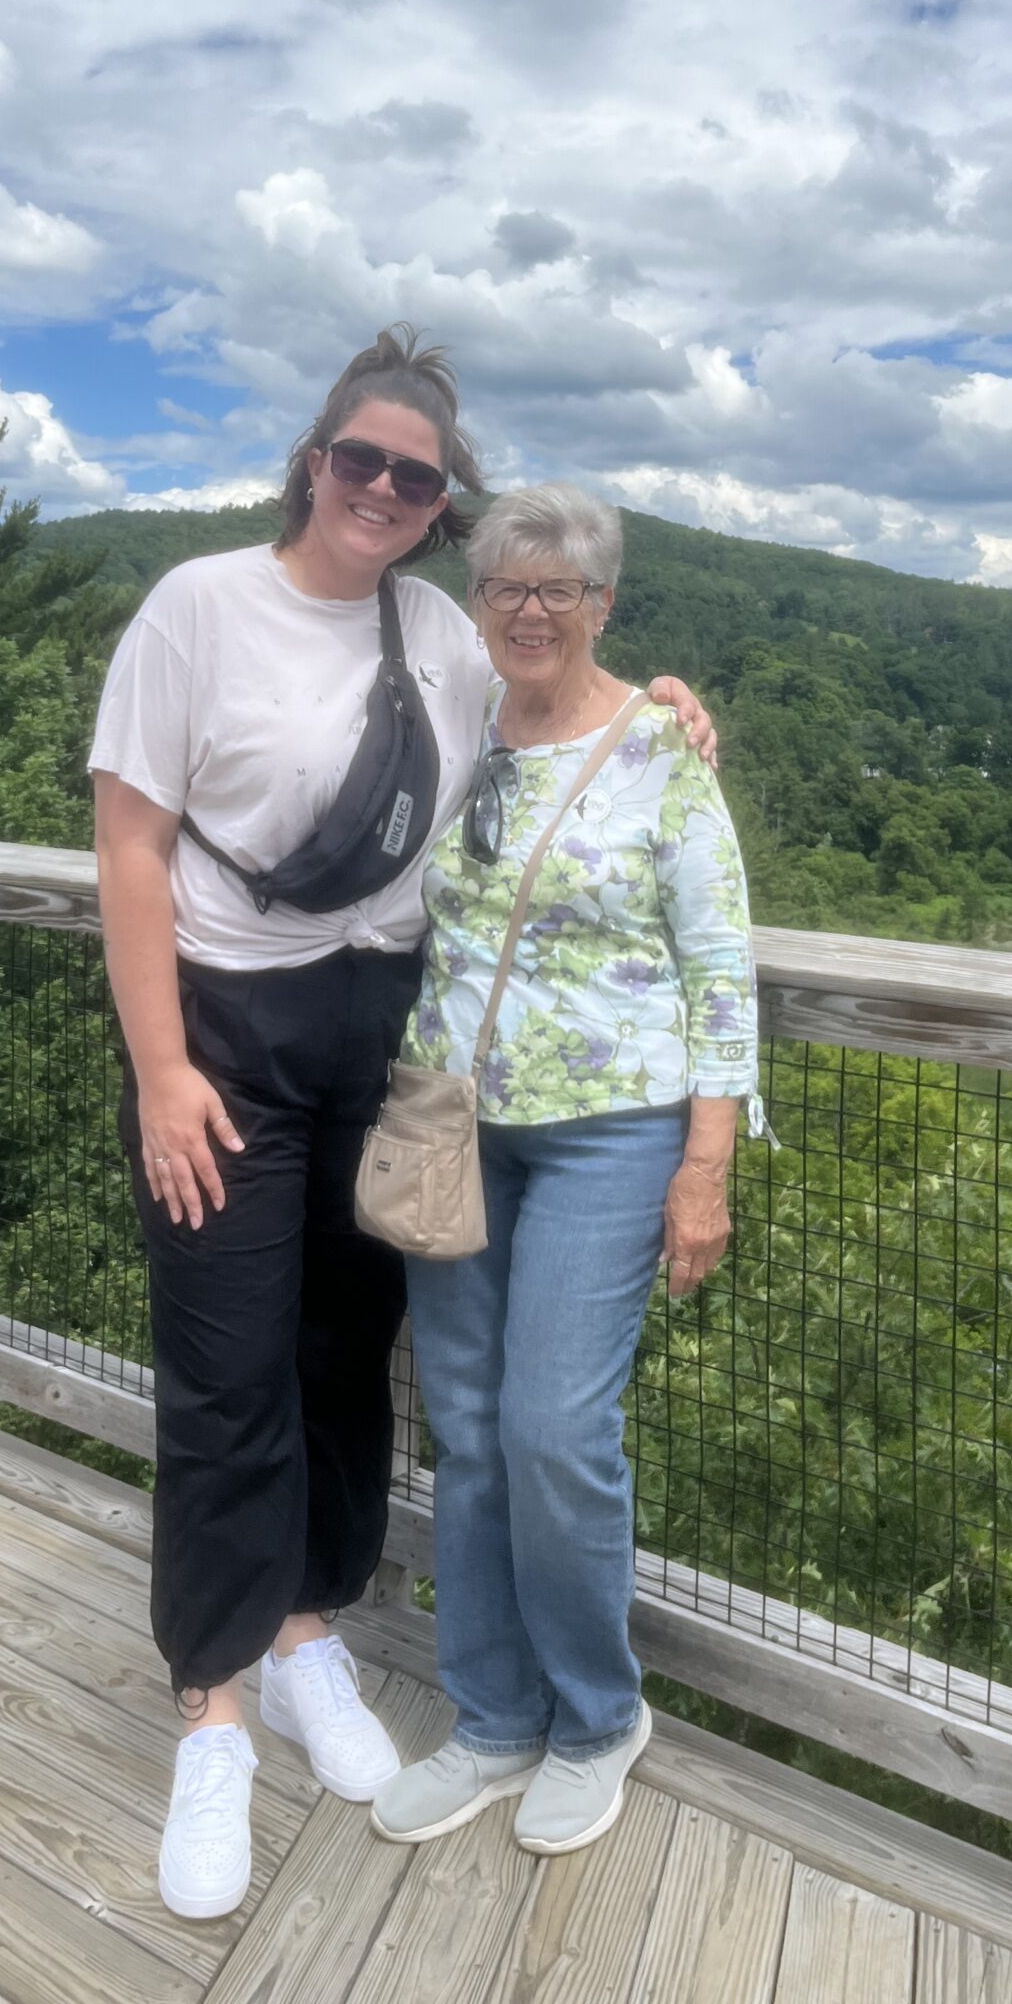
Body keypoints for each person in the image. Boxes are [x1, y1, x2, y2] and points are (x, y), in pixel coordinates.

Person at [88, 331, 714, 1920]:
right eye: (359, 459)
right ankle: (214, 1706)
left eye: (415, 476)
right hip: (223, 1039)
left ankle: (309, 1633)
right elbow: (133, 854)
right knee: (225, 1371)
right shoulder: (196, 608)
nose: (381, 487)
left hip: (389, 1043)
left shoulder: (436, 628)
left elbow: (556, 699)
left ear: (441, 504)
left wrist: (667, 707)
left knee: (342, 1360)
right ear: (313, 460)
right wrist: (162, 1070)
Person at [371, 482, 757, 1860]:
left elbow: (721, 972)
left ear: (603, 602)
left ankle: (598, 1717)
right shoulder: (460, 725)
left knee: (552, 1432)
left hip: (611, 1132)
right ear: (481, 606)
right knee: (467, 1433)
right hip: (455, 1120)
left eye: (561, 589)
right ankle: (490, 1715)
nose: (531, 610)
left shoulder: (662, 748)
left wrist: (704, 1165)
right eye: (507, 589)